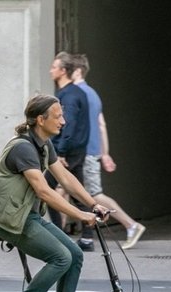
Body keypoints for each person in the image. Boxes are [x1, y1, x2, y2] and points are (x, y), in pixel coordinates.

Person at [0, 93, 108, 292]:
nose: (63, 121)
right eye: (58, 116)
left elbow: (66, 180)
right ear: (41, 120)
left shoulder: (43, 145)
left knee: (74, 254)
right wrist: (80, 215)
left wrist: (93, 204)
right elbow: (44, 191)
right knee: (60, 257)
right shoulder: (23, 148)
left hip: (27, 215)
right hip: (10, 220)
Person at [71, 54, 146, 250]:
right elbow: (101, 124)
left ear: (77, 71)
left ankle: (131, 225)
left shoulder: (77, 94)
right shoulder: (93, 94)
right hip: (93, 150)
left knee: (94, 195)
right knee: (64, 190)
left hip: (85, 151)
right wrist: (105, 153)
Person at [49, 51, 92, 248]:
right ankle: (87, 237)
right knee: (79, 192)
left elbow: (69, 124)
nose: (51, 70)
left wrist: (61, 152)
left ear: (63, 71)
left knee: (45, 189)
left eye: (54, 67)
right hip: (77, 150)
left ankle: (58, 235)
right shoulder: (78, 92)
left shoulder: (68, 96)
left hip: (66, 152)